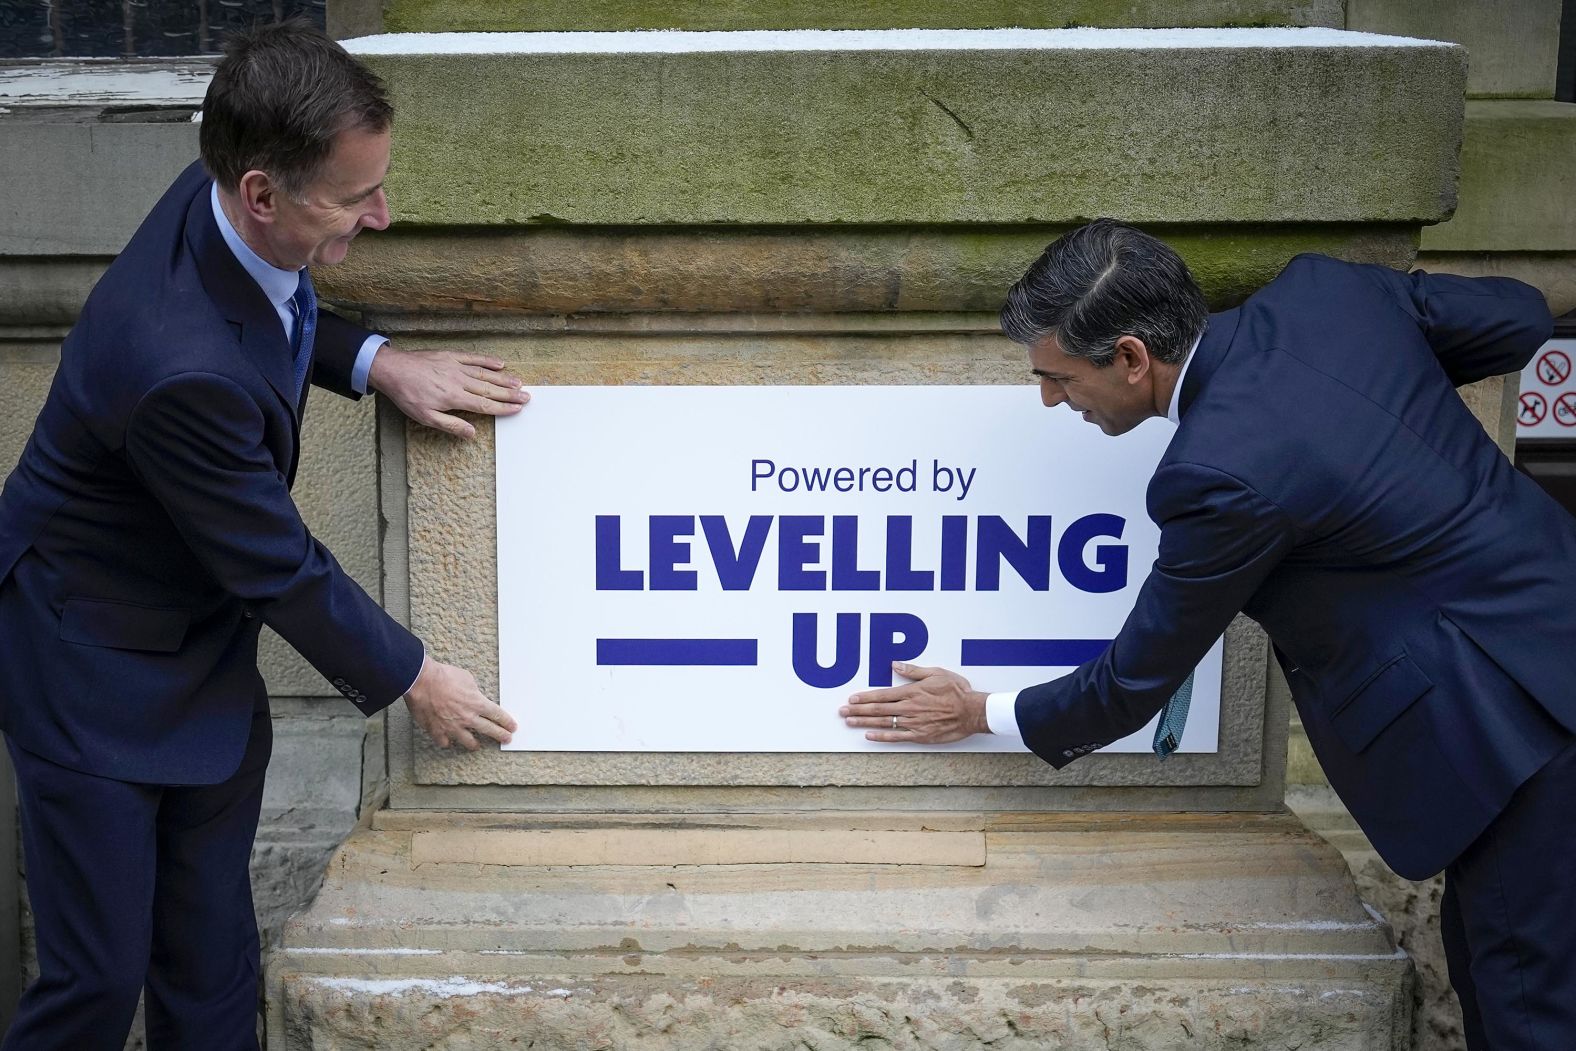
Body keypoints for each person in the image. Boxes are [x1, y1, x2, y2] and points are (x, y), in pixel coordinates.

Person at [841, 219, 1576, 1050]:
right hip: (1552, 638)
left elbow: (1133, 681)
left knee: (1526, 1001)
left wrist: (979, 711)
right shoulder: (1328, 294)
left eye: (1056, 376)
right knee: (1494, 974)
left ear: (1129, 357)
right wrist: (1392, 396)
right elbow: (1520, 315)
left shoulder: (1221, 473)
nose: (1049, 398)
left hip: (1517, 726)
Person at [0, 21, 524, 1049]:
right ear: (261, 193)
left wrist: (378, 360)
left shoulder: (221, 203)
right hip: (87, 668)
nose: (382, 215)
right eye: (353, 197)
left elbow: (275, 308)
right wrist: (418, 675)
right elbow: (276, 563)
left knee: (211, 966)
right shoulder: (174, 366)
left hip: (199, 655)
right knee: (97, 983)